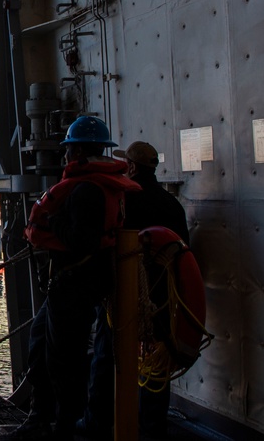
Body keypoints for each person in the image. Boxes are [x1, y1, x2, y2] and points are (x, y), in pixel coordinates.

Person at [1, 116, 141, 441]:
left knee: (63, 361)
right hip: (75, 282)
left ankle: (64, 427)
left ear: (76, 152)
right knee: (40, 346)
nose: (64, 157)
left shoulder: (85, 190)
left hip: (75, 284)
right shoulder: (101, 186)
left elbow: (83, 241)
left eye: (68, 151)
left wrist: (52, 221)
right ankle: (40, 418)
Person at [79, 141, 190, 439]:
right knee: (156, 364)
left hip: (122, 296)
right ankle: (152, 429)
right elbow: (182, 252)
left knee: (105, 356)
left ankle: (96, 423)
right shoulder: (172, 205)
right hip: (161, 296)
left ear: (130, 167)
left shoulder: (123, 200)